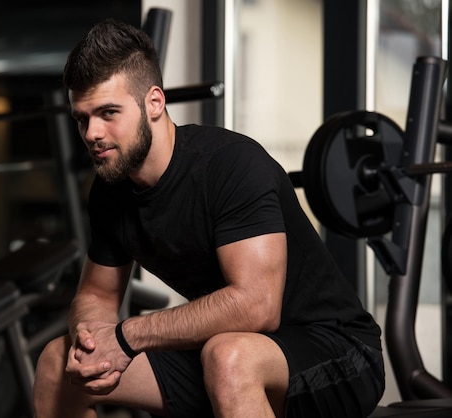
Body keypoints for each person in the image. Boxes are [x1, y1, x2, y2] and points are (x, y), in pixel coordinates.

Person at [33, 18, 385, 418]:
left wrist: (128, 335)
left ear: (154, 102)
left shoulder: (231, 165)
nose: (93, 132)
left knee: (228, 356)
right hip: (224, 353)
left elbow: (257, 306)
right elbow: (97, 294)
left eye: (108, 112)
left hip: (338, 351)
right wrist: (92, 341)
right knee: (56, 364)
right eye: (82, 118)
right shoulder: (111, 189)